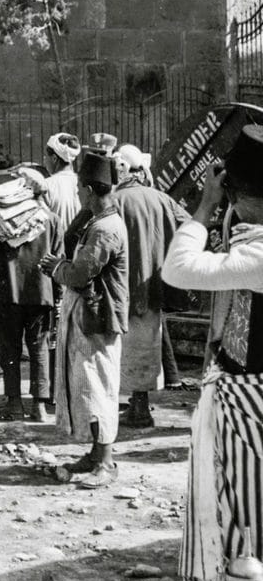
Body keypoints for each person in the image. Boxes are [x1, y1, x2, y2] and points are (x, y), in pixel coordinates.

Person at [160, 127, 263, 581]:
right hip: (241, 393)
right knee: (233, 525)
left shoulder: (259, 252)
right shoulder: (251, 242)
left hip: (251, 399)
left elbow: (178, 269)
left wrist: (202, 210)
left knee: (245, 531)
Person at [41, 150, 129, 488]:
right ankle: (94, 454)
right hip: (88, 317)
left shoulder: (106, 229)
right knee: (87, 386)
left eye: (80, 189)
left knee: (98, 389)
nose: (77, 193)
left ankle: (105, 462)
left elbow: (79, 273)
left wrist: (56, 268)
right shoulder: (97, 221)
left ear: (90, 190)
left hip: (99, 320)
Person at [114, 142, 190, 428]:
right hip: (154, 284)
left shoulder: (115, 201)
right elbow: (190, 226)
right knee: (146, 341)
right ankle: (139, 402)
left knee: (124, 345)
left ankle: (138, 406)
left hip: (122, 286)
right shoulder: (162, 199)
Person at [0, 192, 59, 422]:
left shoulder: (0, 219)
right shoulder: (52, 219)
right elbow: (59, 256)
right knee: (39, 349)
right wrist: (58, 295)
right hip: (41, 292)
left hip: (10, 293)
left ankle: (14, 403)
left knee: (9, 349)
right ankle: (39, 406)